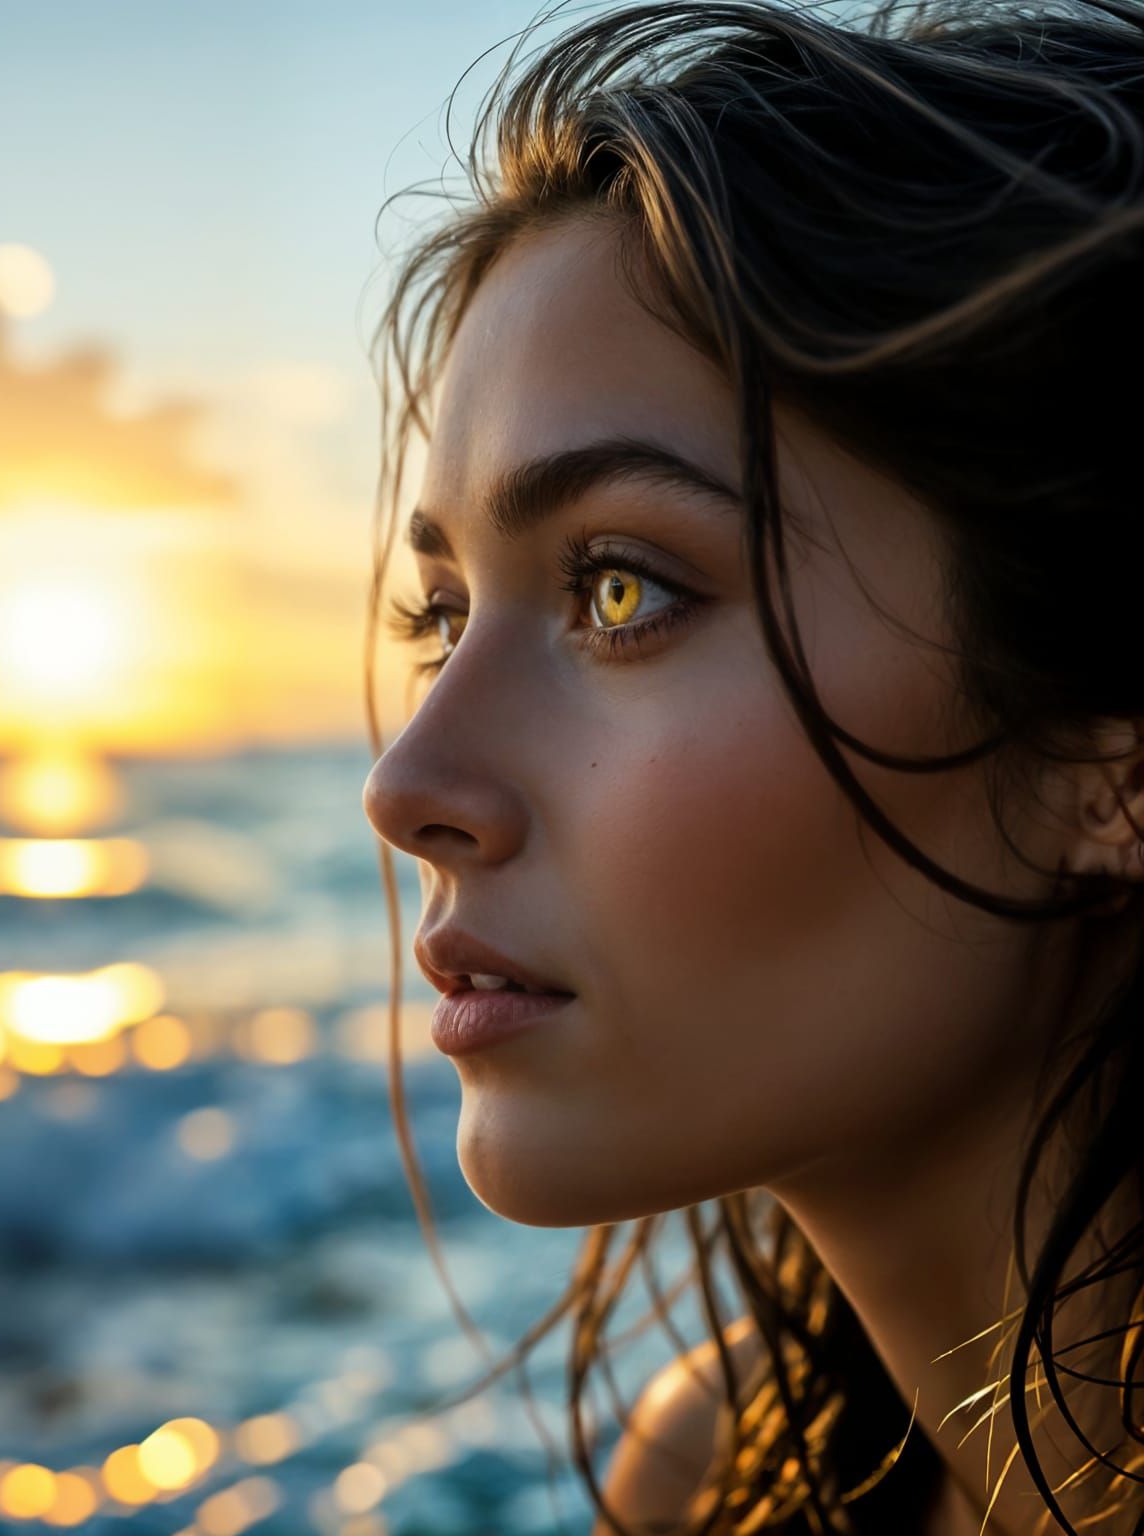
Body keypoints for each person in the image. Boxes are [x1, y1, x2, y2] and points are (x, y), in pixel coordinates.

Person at [358, 2, 1144, 1532]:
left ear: (1103, 753)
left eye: (619, 589)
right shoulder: (723, 1476)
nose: (409, 783)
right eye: (443, 613)